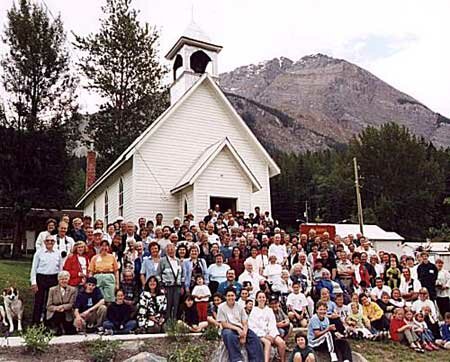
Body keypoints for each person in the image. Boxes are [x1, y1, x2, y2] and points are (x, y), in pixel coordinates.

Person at [217, 288, 264, 362]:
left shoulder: (239, 306)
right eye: (228, 296)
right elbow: (224, 324)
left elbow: (245, 322)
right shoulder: (221, 307)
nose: (230, 297)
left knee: (254, 338)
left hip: (241, 328)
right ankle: (236, 359)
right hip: (228, 328)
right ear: (225, 297)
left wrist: (244, 334)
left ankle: (256, 360)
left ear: (235, 296)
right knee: (229, 335)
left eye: (232, 295)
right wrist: (237, 329)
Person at [30, 236, 62, 324]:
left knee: (51, 302)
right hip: (41, 278)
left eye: (52, 241)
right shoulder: (39, 253)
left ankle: (48, 322)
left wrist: (60, 281)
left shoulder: (58, 253)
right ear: (44, 242)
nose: (50, 242)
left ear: (54, 242)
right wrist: (33, 282)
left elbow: (60, 268)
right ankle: (35, 323)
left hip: (53, 278)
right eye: (48, 241)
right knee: (39, 301)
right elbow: (34, 269)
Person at [248, 291, 286, 362]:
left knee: (281, 343)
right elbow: (253, 326)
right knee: (267, 343)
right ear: (256, 299)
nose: (262, 299)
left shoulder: (269, 310)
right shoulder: (254, 311)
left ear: (266, 299)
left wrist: (271, 335)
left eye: (263, 297)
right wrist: (265, 335)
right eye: (260, 297)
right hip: (259, 334)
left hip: (270, 333)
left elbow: (272, 324)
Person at [157, 243, 184, 320]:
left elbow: (182, 274)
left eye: (172, 249)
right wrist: (161, 286)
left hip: (177, 286)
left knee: (176, 305)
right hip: (167, 286)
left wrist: (182, 286)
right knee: (168, 305)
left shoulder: (178, 261)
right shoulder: (162, 261)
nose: (171, 251)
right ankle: (167, 322)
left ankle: (174, 321)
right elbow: (158, 274)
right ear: (166, 251)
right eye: (169, 249)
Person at [46, 271, 77, 335]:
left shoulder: (73, 290)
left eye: (65, 279)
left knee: (71, 333)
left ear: (68, 279)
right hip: (55, 313)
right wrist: (57, 308)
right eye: (62, 279)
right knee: (58, 315)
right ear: (58, 280)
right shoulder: (52, 290)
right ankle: (55, 328)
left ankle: (65, 328)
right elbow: (48, 306)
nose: (64, 281)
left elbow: (72, 304)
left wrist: (63, 307)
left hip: (67, 313)